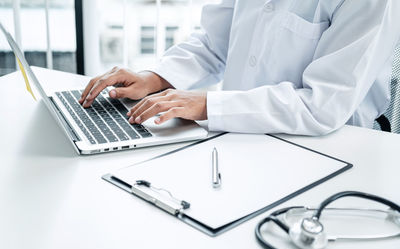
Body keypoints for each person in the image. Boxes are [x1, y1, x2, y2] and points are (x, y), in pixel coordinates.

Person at [79, 0, 400, 136]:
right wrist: (155, 78)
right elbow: (215, 42)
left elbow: (323, 106)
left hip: (330, 147)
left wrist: (206, 104)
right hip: (238, 132)